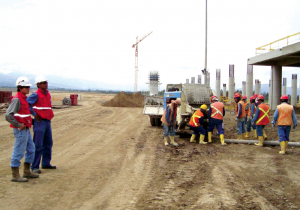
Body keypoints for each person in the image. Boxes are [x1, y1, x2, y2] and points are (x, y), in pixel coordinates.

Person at [5, 77, 39, 182]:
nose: (28, 88)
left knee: (31, 149)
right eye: (26, 87)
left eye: (28, 86)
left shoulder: (23, 98)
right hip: (20, 130)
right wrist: (18, 124)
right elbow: (8, 115)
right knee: (19, 151)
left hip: (26, 129)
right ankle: (15, 175)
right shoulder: (17, 99)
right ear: (20, 87)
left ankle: (27, 171)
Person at [27, 75, 56, 174]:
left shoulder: (47, 94)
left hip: (47, 121)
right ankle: (34, 166)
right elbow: (26, 104)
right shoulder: (35, 95)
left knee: (48, 143)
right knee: (38, 145)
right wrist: (35, 114)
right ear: (38, 84)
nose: (46, 84)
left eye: (46, 82)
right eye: (43, 83)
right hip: (40, 122)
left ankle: (45, 163)